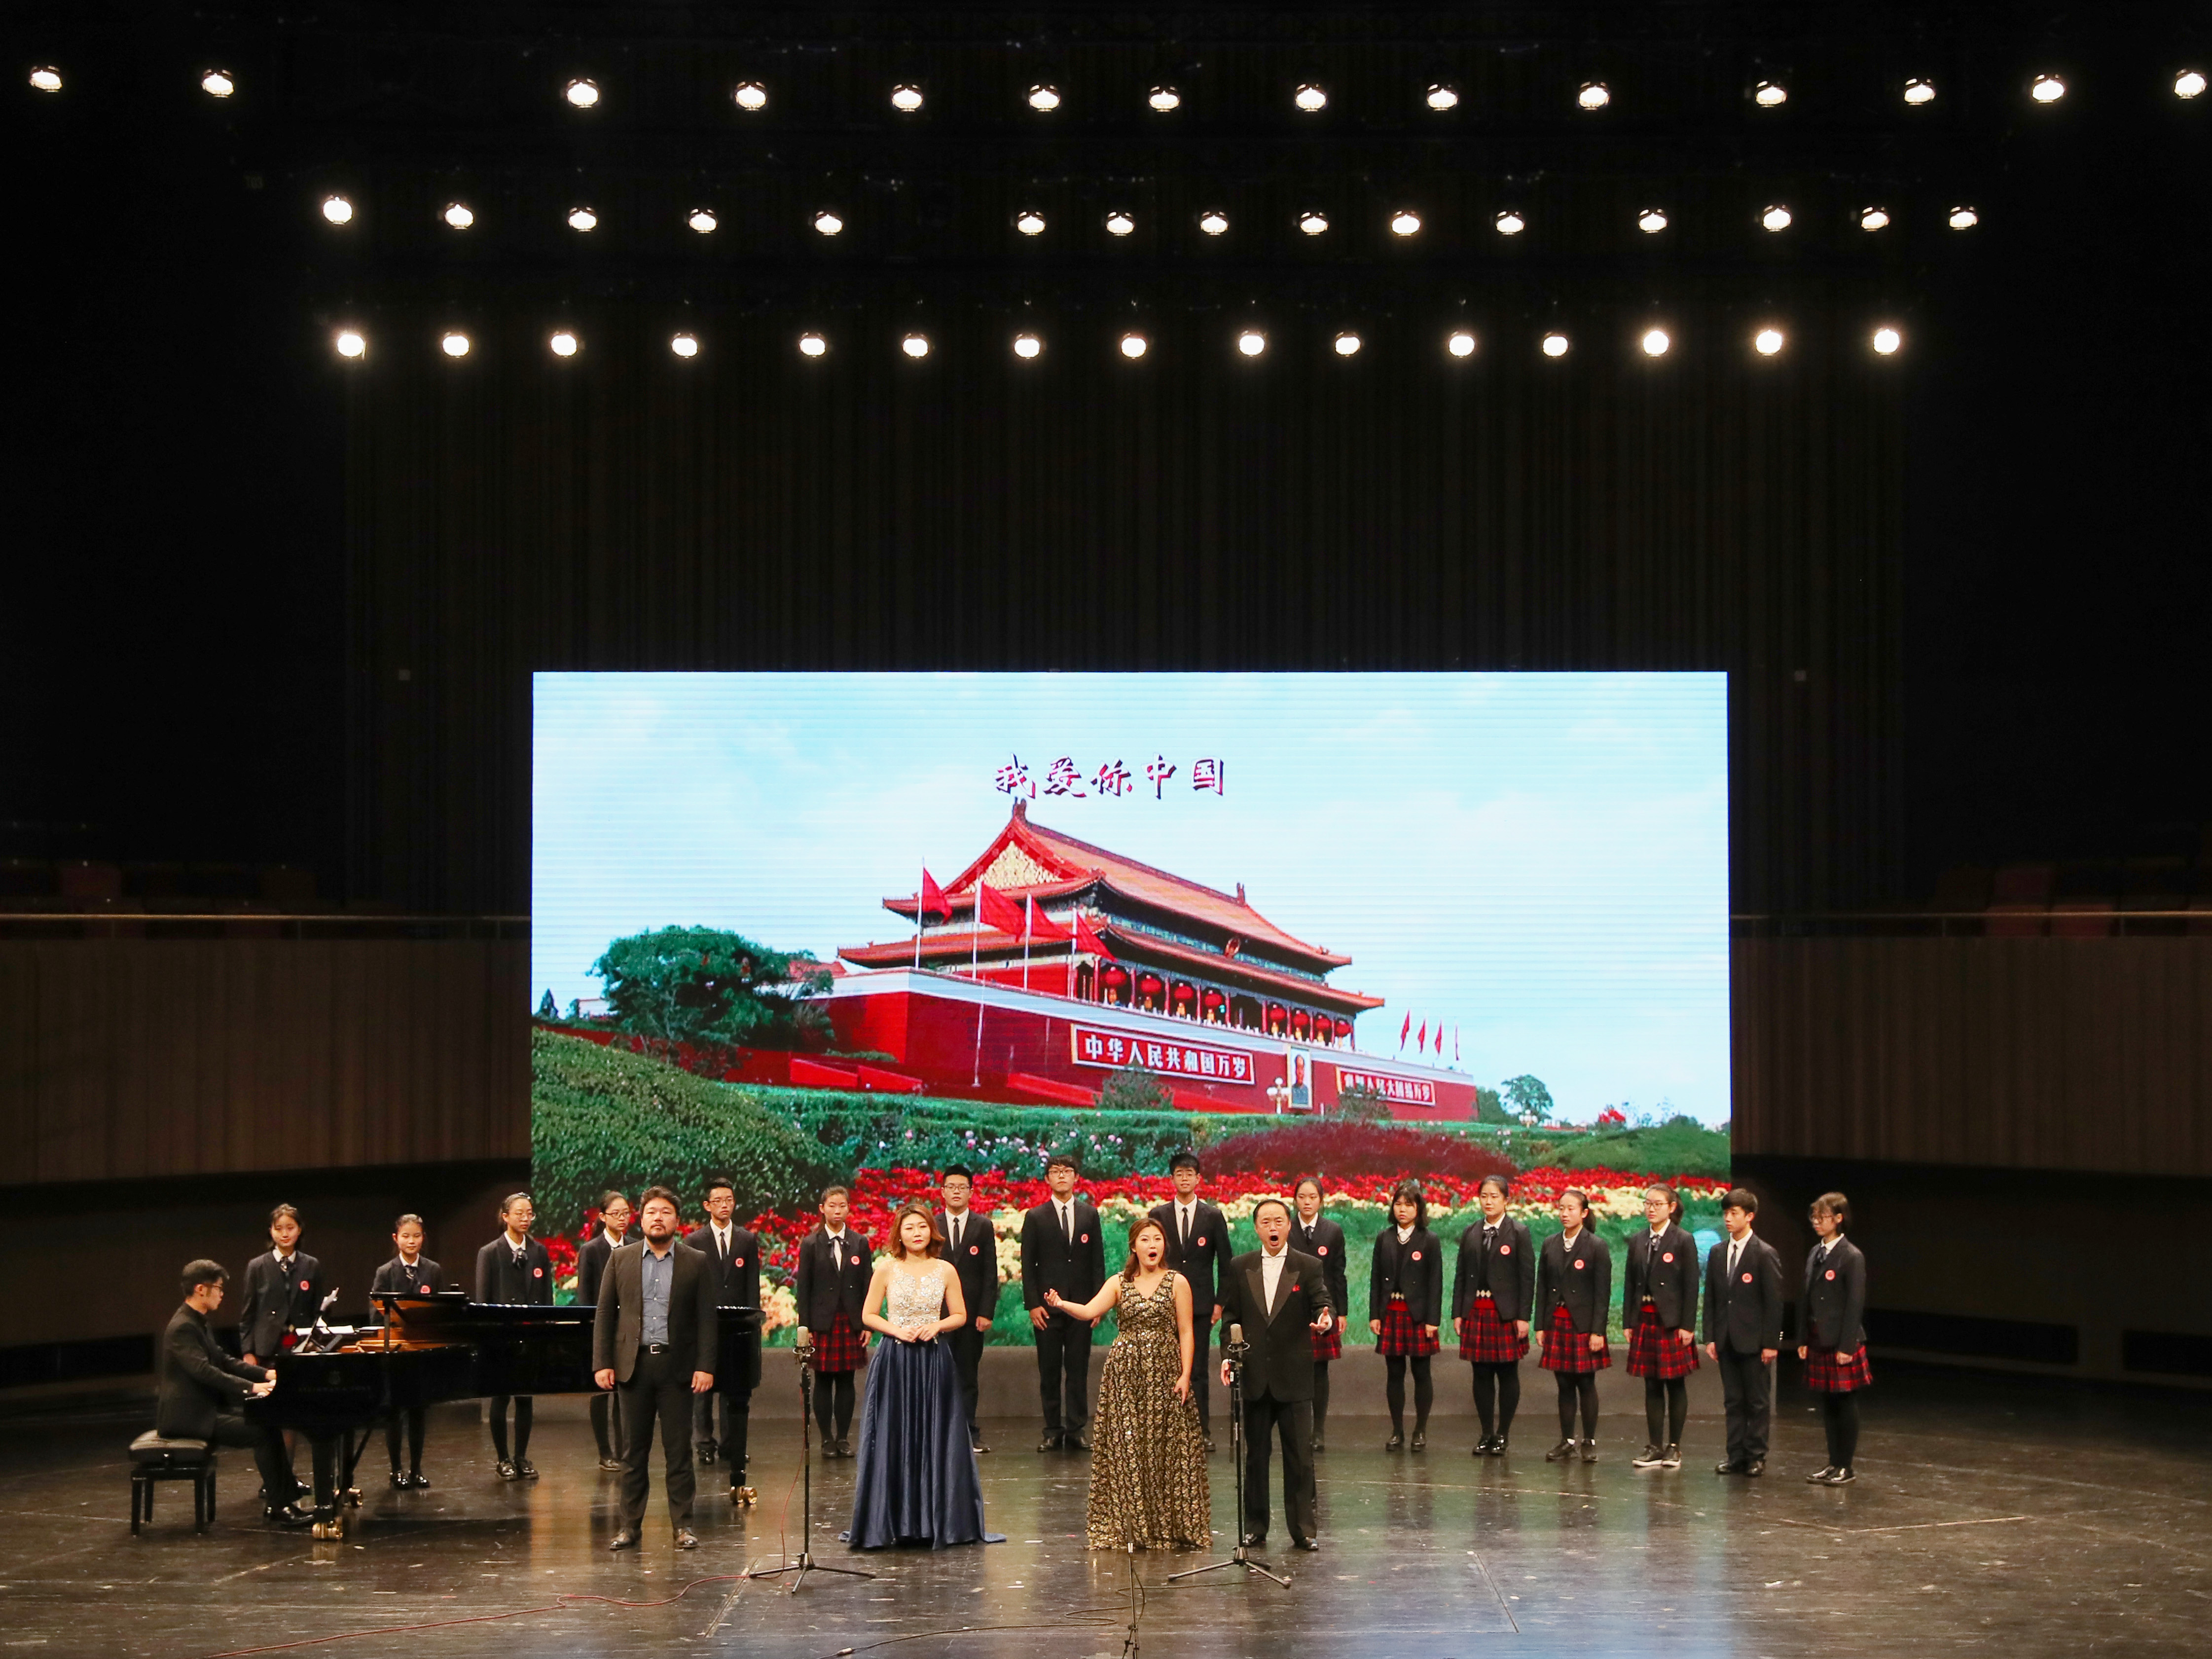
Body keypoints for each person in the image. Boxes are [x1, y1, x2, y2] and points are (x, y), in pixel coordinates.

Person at [1047, 1216, 1209, 1550]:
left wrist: (1185, 1374)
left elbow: (1186, 1331)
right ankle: (1132, 1524)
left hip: (1165, 1372)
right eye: (1145, 1239)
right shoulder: (1119, 1282)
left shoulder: (1177, 1282)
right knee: (1129, 1448)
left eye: (1157, 1239)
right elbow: (1090, 1310)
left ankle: (1167, 1523)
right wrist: (1061, 1304)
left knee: (1164, 1449)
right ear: (1134, 1246)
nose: (1152, 1245)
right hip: (1126, 1375)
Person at [845, 1203, 993, 1549]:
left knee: (935, 1432)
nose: (916, 1233)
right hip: (895, 1359)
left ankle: (932, 1520)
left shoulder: (945, 1269)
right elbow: (869, 1315)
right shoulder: (886, 1268)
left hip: (933, 1359)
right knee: (893, 1434)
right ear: (899, 1233)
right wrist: (896, 1330)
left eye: (922, 1227)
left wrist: (936, 1326)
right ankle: (892, 1521)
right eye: (909, 1227)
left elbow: (960, 1314)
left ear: (932, 1232)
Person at [593, 1185, 718, 1550]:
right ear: (641, 1218)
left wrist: (705, 1365)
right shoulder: (621, 1258)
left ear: (677, 1220)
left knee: (679, 1453)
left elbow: (707, 1319)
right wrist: (602, 1362)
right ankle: (629, 1527)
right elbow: (605, 1314)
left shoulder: (696, 1260)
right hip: (633, 1367)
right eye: (651, 1212)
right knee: (633, 1453)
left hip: (678, 1368)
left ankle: (683, 1526)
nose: (657, 1218)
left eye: (665, 1212)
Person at [1216, 1197, 1334, 1552]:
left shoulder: (1307, 1265)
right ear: (1256, 1228)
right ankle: (1255, 1527)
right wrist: (1228, 1357)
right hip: (1254, 1377)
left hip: (1294, 1377)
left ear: (1288, 1226)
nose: (1273, 1227)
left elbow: (1322, 1303)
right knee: (1255, 1457)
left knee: (1300, 1458)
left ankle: (1303, 1530)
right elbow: (1230, 1320)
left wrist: (1325, 1320)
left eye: (1279, 1221)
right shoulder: (1241, 1266)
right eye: (1266, 1222)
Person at [158, 1259, 309, 1527]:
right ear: (201, 1289)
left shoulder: (197, 1322)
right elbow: (204, 1371)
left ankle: (283, 1499)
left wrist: (266, 1374)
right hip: (188, 1417)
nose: (222, 1294)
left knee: (268, 1423)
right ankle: (280, 1506)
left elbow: (224, 1361)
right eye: (218, 1288)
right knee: (262, 1432)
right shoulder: (183, 1327)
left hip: (204, 1410)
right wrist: (252, 1388)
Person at [1148, 1151, 1234, 1450]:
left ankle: (1201, 1430)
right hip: (1165, 1305)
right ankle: (1166, 1432)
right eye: (1179, 1174)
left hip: (1200, 1307)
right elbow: (1150, 1259)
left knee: (1196, 1370)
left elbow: (1226, 1263)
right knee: (1164, 1369)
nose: (1184, 1179)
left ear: (1198, 1179)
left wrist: (1219, 1304)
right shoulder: (1158, 1215)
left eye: (1190, 1174)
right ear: (1172, 1179)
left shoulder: (1212, 1216)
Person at [1020, 1153, 1104, 1452]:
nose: (1061, 1176)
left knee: (1078, 1370)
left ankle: (1076, 1429)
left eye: (1067, 1171)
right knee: (1050, 1371)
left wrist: (1097, 1304)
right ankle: (1052, 1430)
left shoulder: (1089, 1215)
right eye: (1055, 1172)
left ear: (1076, 1178)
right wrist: (1033, 1304)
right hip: (1047, 1308)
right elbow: (1028, 1264)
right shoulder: (1035, 1216)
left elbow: (1097, 1263)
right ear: (1047, 1179)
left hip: (1081, 1308)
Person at [235, 1203, 319, 1500]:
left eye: (290, 1228)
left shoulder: (311, 1265)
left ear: (300, 1230)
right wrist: (248, 1352)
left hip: (298, 1350)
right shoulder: (257, 1267)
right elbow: (247, 1315)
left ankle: (287, 1477)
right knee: (270, 1418)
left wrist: (315, 1344)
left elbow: (318, 1312)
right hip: (266, 1352)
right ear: (271, 1232)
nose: (285, 1234)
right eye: (279, 1228)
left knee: (291, 1417)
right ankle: (272, 1479)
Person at [1451, 1172, 1533, 1457]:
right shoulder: (1471, 1232)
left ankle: (1503, 1435)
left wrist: (1523, 1316)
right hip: (1476, 1311)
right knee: (1481, 1374)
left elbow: (1527, 1278)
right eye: (1484, 1196)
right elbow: (1461, 1275)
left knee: (1508, 1373)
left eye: (1494, 1197)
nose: (1488, 1202)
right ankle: (1486, 1433)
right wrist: (1459, 1312)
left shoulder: (1519, 1232)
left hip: (1506, 1315)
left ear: (1506, 1200)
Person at [1704, 1188, 1783, 1477]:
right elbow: (1712, 1298)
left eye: (1734, 1213)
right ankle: (1735, 1454)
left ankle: (1756, 1455)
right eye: (1726, 1213)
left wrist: (1771, 1343)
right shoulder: (1717, 1252)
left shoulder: (1764, 1254)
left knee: (1757, 1401)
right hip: (1726, 1339)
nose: (1728, 1218)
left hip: (1754, 1340)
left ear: (1749, 1217)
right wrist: (1710, 1336)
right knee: (1733, 1400)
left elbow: (1774, 1303)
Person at [366, 1214, 447, 1488]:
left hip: (422, 1350)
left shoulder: (433, 1270)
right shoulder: (385, 1272)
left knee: (419, 1412)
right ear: (396, 1239)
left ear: (423, 1238)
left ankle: (416, 1469)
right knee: (394, 1412)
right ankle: (396, 1470)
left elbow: (441, 1310)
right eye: (406, 1236)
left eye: (416, 1236)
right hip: (396, 1351)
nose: (411, 1241)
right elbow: (376, 1315)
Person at [474, 1191, 551, 1479]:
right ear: (505, 1217)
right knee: (501, 1398)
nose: (525, 1218)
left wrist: (545, 1332)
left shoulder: (539, 1252)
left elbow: (547, 1298)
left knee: (526, 1399)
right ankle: (502, 1459)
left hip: (530, 1337)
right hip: (501, 1338)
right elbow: (483, 1302)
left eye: (529, 1213)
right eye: (519, 1213)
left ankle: (521, 1457)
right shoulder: (490, 1253)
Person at [691, 1177, 760, 1502]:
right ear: (707, 1205)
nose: (724, 1205)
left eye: (729, 1199)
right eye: (717, 1200)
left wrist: (752, 1322)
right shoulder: (695, 1240)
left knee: (734, 1385)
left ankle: (732, 1444)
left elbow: (752, 1284)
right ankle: (704, 1443)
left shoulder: (747, 1239)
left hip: (736, 1326)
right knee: (703, 1386)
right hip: (704, 1323)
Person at [1625, 1183, 1701, 1471]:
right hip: (1645, 1320)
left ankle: (1674, 1447)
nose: (1651, 1209)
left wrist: (1687, 1325)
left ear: (1671, 1207)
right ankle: (1655, 1446)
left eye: (1657, 1204)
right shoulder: (1638, 1240)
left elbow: (1691, 1285)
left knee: (1675, 1384)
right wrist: (1629, 1321)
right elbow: (1630, 1284)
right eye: (1648, 1203)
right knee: (1652, 1384)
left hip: (1671, 1323)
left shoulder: (1683, 1240)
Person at [1798, 1191, 1871, 1485]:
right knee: (1827, 1404)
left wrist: (1846, 1345)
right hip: (1818, 1338)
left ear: (1839, 1219)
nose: (1817, 1222)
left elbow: (1855, 1304)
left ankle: (1846, 1465)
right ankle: (1833, 1463)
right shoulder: (1815, 1253)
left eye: (1823, 1217)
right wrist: (1802, 1338)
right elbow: (1805, 1298)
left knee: (1845, 1403)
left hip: (1841, 1340)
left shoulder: (1851, 1256)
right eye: (1814, 1217)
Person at [795, 1185, 873, 1457]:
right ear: (822, 1209)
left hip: (851, 1321)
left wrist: (866, 1324)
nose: (837, 1211)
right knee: (824, 1381)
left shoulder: (860, 1242)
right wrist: (806, 1327)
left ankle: (843, 1438)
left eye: (842, 1206)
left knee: (847, 1381)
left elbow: (868, 1285)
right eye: (832, 1206)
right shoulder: (810, 1243)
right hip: (822, 1322)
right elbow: (803, 1288)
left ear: (849, 1209)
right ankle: (827, 1439)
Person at [1535, 1187, 1611, 1463]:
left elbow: (1602, 1293)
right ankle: (1567, 1440)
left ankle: (1589, 1441)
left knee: (1586, 1383)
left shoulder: (1596, 1246)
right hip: (1557, 1322)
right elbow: (1543, 1287)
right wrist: (1541, 1325)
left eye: (1571, 1209)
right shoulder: (1550, 1244)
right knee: (1564, 1383)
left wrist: (1597, 1331)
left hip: (1583, 1325)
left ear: (1584, 1213)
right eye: (1561, 1208)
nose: (1565, 1214)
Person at [1367, 1180, 1442, 1450]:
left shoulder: (1429, 1240)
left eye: (1408, 1205)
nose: (1402, 1210)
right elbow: (1376, 1278)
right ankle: (1397, 1431)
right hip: (1391, 1314)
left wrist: (1433, 1320)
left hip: (1419, 1317)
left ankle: (1420, 1430)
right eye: (1398, 1204)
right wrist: (1375, 1314)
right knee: (1394, 1374)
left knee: (1422, 1373)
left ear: (1418, 1209)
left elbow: (1436, 1283)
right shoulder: (1384, 1238)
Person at [937, 1166, 997, 1454]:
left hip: (972, 1317)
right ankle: (939, 1433)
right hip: (938, 1317)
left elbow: (990, 1272)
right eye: (951, 1187)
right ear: (943, 1192)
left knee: (968, 1376)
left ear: (971, 1192)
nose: (956, 1192)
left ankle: (969, 1432)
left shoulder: (982, 1226)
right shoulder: (932, 1225)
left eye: (962, 1187)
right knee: (939, 1375)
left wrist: (986, 1311)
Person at [576, 1191, 634, 1471]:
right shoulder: (591, 1250)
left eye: (626, 1213)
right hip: (600, 1330)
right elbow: (585, 1297)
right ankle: (605, 1452)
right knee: (601, 1393)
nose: (622, 1219)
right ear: (602, 1217)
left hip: (628, 1332)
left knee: (625, 1394)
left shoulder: (635, 1246)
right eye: (616, 1214)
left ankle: (625, 1451)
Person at [1290, 1177, 1347, 1453]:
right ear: (1295, 1200)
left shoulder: (1332, 1231)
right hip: (1292, 1306)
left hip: (1323, 1308)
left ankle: (1319, 1430)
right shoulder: (1286, 1228)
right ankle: (1297, 1428)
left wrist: (1341, 1312)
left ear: (1321, 1200)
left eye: (1312, 1197)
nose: (1307, 1202)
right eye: (1302, 1197)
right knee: (1294, 1368)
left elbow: (1338, 1274)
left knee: (1320, 1370)